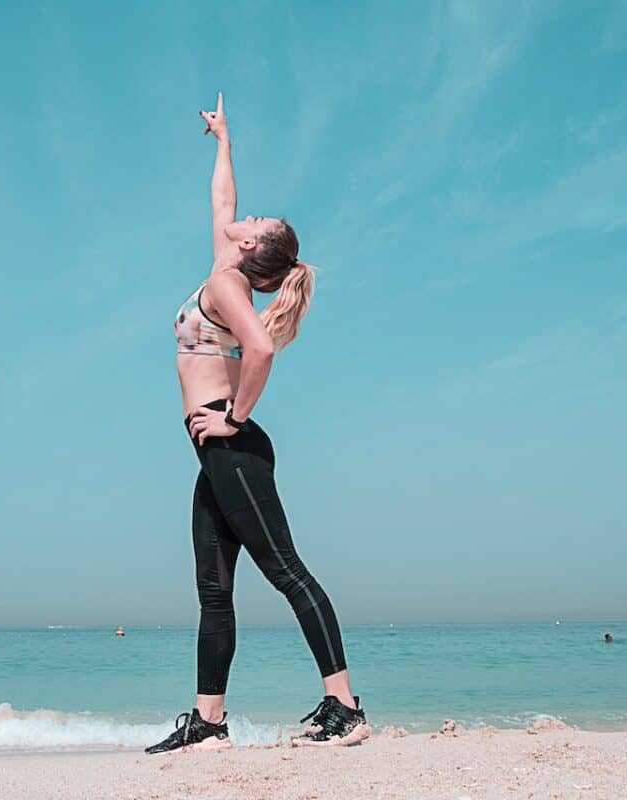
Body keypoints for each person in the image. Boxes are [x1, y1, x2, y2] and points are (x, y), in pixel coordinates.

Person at [145, 93, 369, 754]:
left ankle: (346, 708)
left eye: (256, 219)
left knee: (286, 572)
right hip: (217, 455)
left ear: (253, 243)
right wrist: (224, 142)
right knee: (213, 591)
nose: (245, 214)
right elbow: (221, 201)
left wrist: (235, 418)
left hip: (232, 447)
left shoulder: (227, 288)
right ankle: (208, 723)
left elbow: (263, 350)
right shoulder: (225, 266)